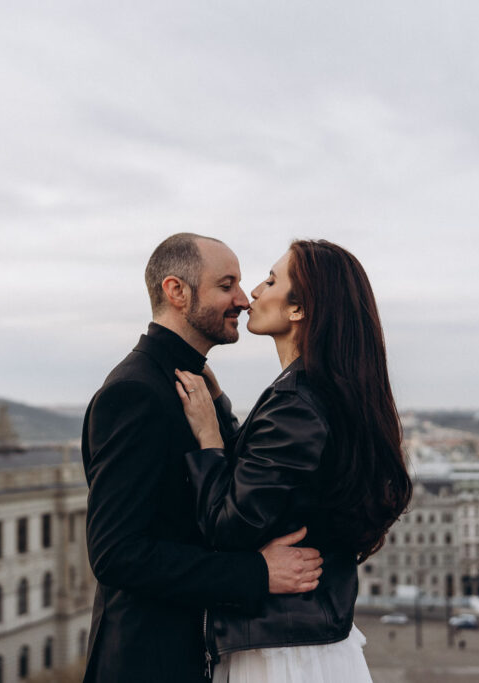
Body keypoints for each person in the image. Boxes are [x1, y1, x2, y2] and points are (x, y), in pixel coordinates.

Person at [81, 233, 325, 683]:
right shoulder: (136, 392)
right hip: (148, 664)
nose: (243, 299)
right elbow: (116, 553)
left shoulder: (187, 384)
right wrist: (256, 572)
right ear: (176, 292)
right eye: (226, 284)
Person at [175, 239, 413, 682]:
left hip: (280, 655)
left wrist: (208, 437)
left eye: (270, 280)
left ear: (299, 309)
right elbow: (273, 485)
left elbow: (229, 526)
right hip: (310, 643)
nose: (252, 295)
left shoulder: (297, 401)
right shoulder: (325, 392)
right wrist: (223, 409)